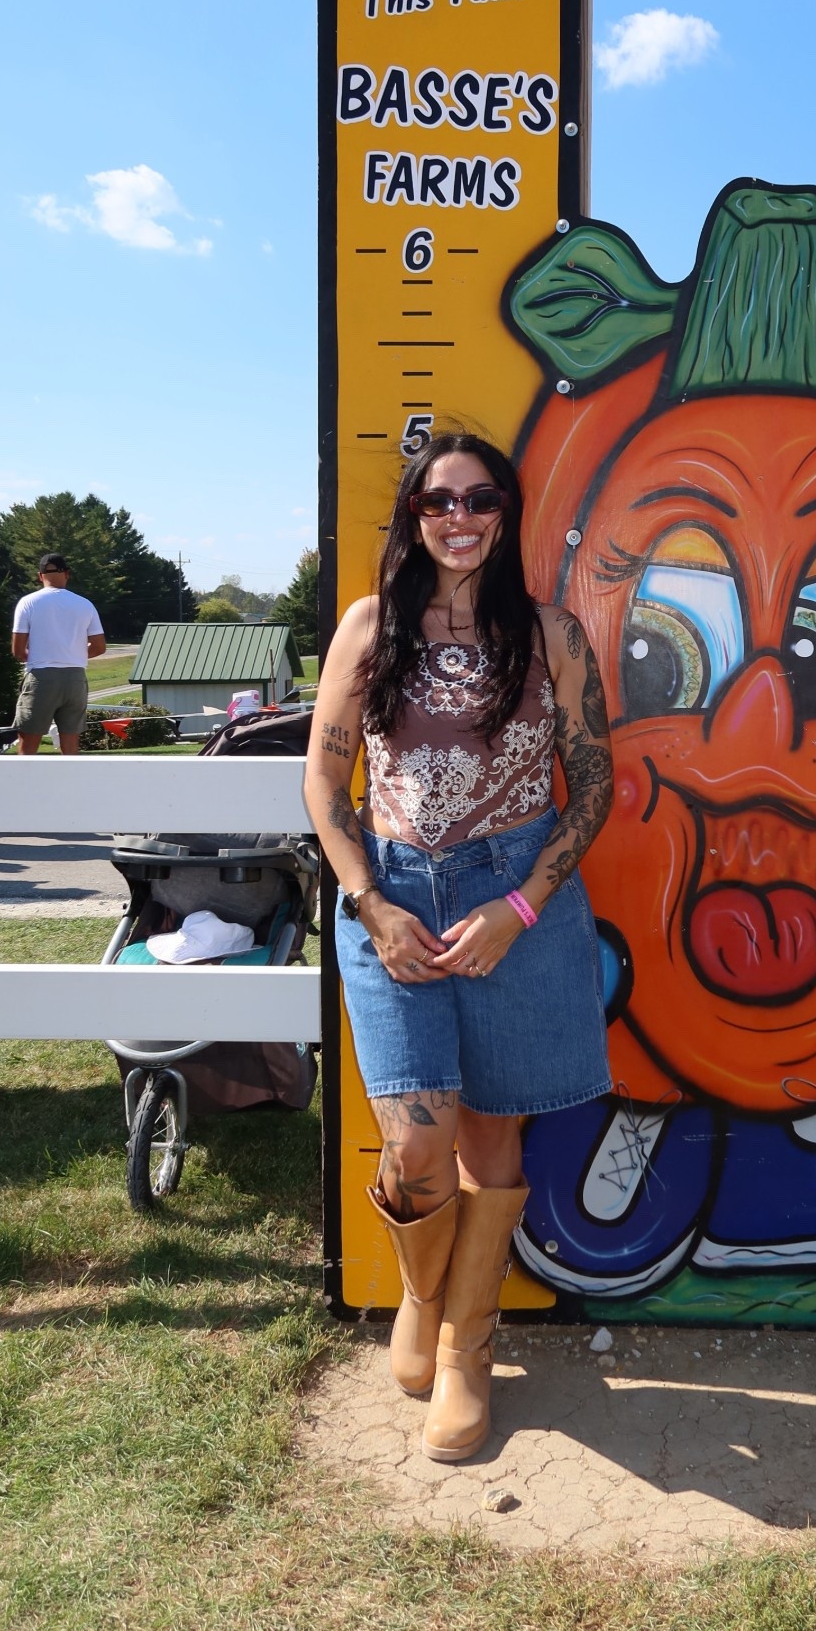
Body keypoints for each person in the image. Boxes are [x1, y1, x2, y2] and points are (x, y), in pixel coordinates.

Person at [304, 431, 613, 1463]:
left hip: (511, 901)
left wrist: (517, 908)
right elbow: (324, 780)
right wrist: (369, 902)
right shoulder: (368, 627)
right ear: (413, 514)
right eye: (440, 501)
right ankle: (422, 1293)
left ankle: (468, 1349)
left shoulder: (554, 635)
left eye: (481, 500)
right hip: (388, 896)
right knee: (418, 1142)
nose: (460, 517)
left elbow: (596, 784)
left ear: (504, 511)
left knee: (491, 1142)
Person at [11, 553, 106, 755]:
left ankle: (23, 785)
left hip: (41, 676)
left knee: (28, 742)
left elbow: (18, 651)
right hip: (75, 678)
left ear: (40, 575)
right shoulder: (85, 604)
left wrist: (40, 656)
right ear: (67, 574)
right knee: (71, 745)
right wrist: (72, 654)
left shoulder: (28, 602)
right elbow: (99, 646)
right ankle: (71, 785)